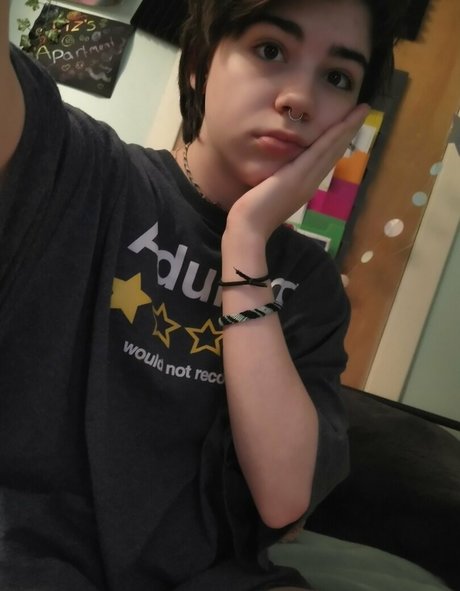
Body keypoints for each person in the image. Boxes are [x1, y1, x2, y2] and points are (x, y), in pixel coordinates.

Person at [0, 0, 407, 589]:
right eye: (270, 49)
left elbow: (284, 497)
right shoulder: (84, 168)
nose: (300, 99)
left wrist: (246, 240)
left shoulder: (310, 286)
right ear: (198, 64)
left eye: (338, 78)